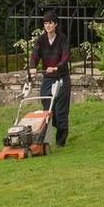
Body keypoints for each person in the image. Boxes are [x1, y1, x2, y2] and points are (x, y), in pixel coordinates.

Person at [29, 13, 71, 147]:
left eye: (51, 23)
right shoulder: (41, 40)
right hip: (48, 78)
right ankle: (46, 135)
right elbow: (35, 55)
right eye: (46, 23)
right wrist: (32, 67)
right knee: (47, 108)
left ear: (56, 24)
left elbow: (65, 56)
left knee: (60, 110)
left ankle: (61, 140)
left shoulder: (62, 39)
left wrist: (56, 67)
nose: (48, 25)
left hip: (61, 77)